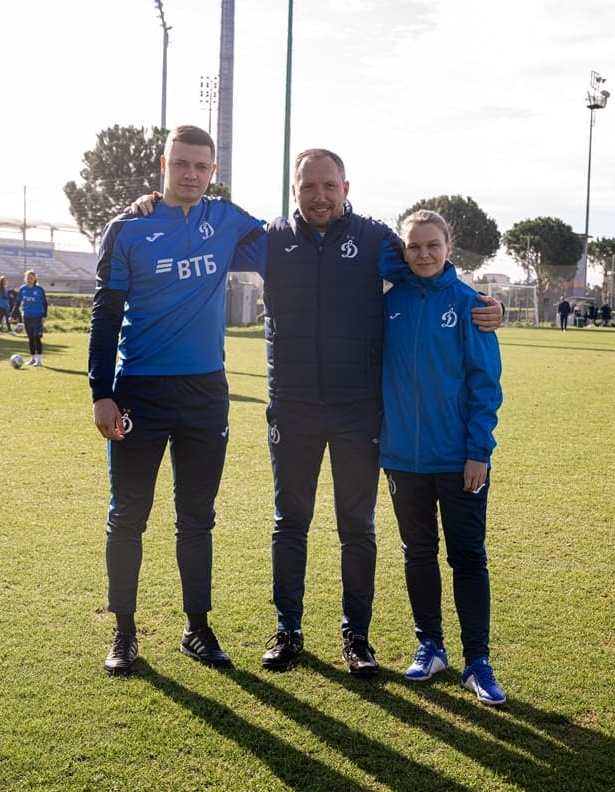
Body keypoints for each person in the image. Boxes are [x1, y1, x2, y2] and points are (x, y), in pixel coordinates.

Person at [127, 148, 504, 676]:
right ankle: (288, 630)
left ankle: (357, 637)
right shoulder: (272, 240)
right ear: (294, 189)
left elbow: (431, 263)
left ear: (346, 188)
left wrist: (487, 304)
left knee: (357, 525)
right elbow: (201, 239)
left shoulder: (375, 241)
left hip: (357, 411)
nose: (320, 197)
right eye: (309, 187)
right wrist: (159, 205)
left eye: (330, 186)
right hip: (293, 408)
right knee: (290, 523)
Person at [91, 125, 267, 676]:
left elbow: (298, 243)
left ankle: (197, 627)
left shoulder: (229, 221)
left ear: (213, 171)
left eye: (201, 166)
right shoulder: (127, 228)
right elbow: (106, 313)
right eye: (181, 164)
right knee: (128, 516)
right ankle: (124, 634)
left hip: (205, 392)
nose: (190, 174)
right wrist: (101, 392)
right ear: (163, 164)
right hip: (139, 389)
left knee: (197, 517)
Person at [381, 210, 505, 704]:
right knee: (417, 554)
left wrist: (479, 451)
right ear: (403, 250)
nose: (424, 254)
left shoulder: (472, 304)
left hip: (459, 460)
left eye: (433, 245)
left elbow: (485, 384)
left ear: (448, 246)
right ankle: (429, 645)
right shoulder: (389, 303)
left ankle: (478, 661)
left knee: (468, 558)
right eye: (414, 246)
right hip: (402, 459)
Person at [17, 270, 48, 365]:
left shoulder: (39, 290)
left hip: (37, 317)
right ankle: (32, 359)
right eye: (28, 278)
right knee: (30, 338)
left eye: (31, 278)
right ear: (25, 279)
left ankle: (39, 360)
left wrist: (44, 315)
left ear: (35, 279)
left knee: (37, 337)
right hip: (27, 317)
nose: (29, 280)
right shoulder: (22, 289)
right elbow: (17, 303)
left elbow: (45, 303)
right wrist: (12, 314)